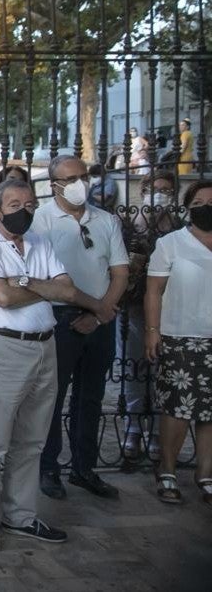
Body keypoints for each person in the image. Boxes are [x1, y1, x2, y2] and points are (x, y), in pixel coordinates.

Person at [0, 179, 112, 552]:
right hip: (2, 349)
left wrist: (24, 280)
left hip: (45, 347)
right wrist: (40, 285)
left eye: (29, 204)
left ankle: (21, 515)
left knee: (31, 440)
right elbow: (3, 297)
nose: (23, 211)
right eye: (14, 204)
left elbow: (65, 288)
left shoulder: (41, 241)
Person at [31, 156, 129, 500]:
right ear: (54, 185)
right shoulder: (40, 221)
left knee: (90, 398)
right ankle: (48, 468)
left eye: (84, 176)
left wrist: (100, 314)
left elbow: (120, 273)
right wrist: (94, 308)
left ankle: (84, 468)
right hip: (58, 318)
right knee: (52, 398)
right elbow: (40, 279)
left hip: (100, 319)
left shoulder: (106, 220)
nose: (79, 184)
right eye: (71, 178)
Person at [145, 179, 212, 505]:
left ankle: (206, 474)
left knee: (210, 413)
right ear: (188, 207)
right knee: (178, 409)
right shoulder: (172, 243)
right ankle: (168, 469)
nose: (207, 207)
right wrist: (153, 330)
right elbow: (154, 291)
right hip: (181, 337)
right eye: (199, 202)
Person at [119, 170, 182, 464]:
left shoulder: (180, 228)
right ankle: (133, 427)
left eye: (166, 191)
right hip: (135, 309)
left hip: (172, 312)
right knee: (135, 368)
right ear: (143, 193)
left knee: (163, 373)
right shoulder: (130, 225)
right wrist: (144, 225)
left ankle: (157, 431)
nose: (159, 195)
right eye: (154, 189)